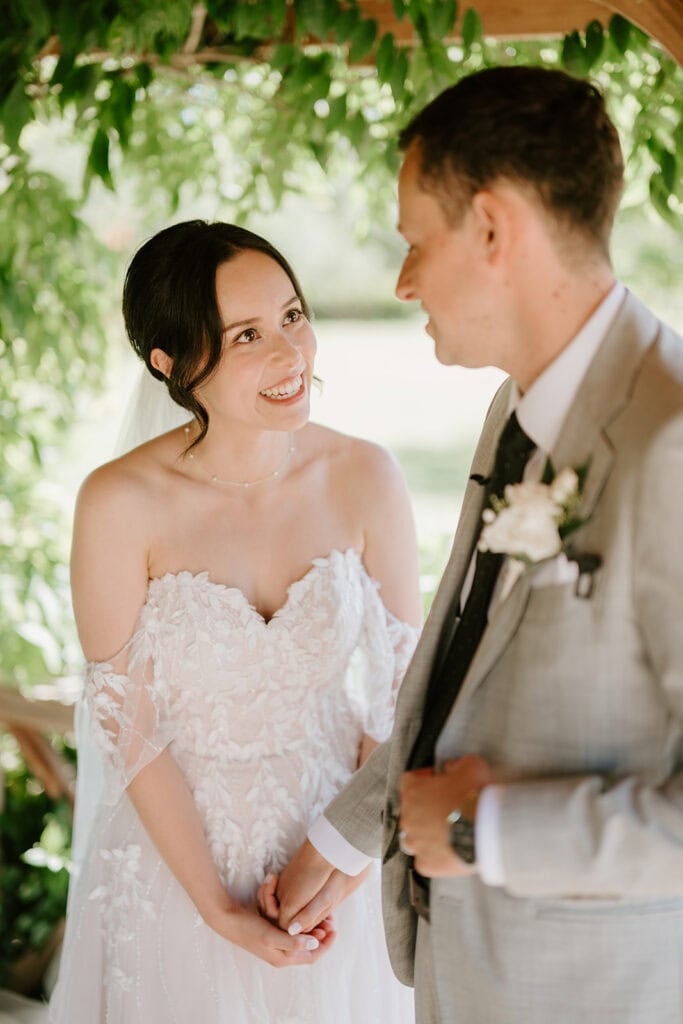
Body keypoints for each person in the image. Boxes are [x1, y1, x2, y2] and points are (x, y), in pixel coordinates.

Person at [273, 65, 683, 1024]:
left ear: (494, 229)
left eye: (417, 240)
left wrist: (485, 827)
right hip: (465, 975)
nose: (404, 278)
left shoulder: (670, 446)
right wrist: (345, 837)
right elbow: (463, 664)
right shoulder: (512, 409)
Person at [48, 221, 421, 1023]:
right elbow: (130, 724)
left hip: (333, 857)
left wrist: (346, 864)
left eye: (292, 316)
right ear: (171, 365)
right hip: (174, 870)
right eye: (247, 335)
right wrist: (217, 907)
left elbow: (405, 699)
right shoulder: (118, 504)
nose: (290, 356)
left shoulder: (364, 475)